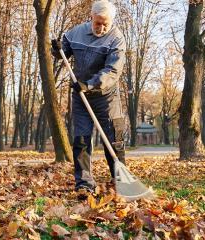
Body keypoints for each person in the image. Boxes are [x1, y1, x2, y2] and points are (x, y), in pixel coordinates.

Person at [51, 0, 127, 198]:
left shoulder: (116, 39)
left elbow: (112, 71)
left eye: (105, 24)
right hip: (80, 96)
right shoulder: (75, 33)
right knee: (82, 139)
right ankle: (84, 184)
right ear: (91, 17)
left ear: (111, 22)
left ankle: (120, 181)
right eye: (97, 23)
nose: (101, 28)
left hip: (106, 97)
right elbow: (62, 53)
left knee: (113, 139)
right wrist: (57, 49)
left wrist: (90, 84)